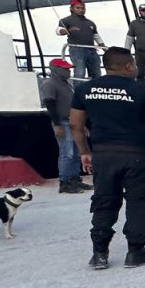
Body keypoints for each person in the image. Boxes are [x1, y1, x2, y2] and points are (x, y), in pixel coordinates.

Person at [70, 47, 145, 270]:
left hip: (104, 154)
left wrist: (84, 152)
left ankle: (99, 253)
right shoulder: (143, 91)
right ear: (129, 66)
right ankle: (136, 251)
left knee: (104, 201)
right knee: (137, 202)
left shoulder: (85, 90)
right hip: (138, 155)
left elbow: (75, 125)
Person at [39, 57, 89, 194]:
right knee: (67, 153)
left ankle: (75, 179)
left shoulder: (66, 84)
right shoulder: (49, 84)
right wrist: (56, 125)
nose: (68, 71)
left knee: (76, 152)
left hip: (73, 121)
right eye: (65, 69)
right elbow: (50, 104)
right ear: (56, 69)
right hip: (62, 121)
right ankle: (65, 182)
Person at [56, 0, 104, 80]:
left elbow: (96, 35)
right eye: (78, 8)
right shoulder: (65, 20)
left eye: (83, 8)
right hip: (77, 50)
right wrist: (67, 30)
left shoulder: (90, 22)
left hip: (92, 50)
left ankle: (95, 90)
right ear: (71, 8)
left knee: (96, 72)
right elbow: (58, 31)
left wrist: (103, 47)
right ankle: (78, 91)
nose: (81, 10)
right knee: (80, 72)